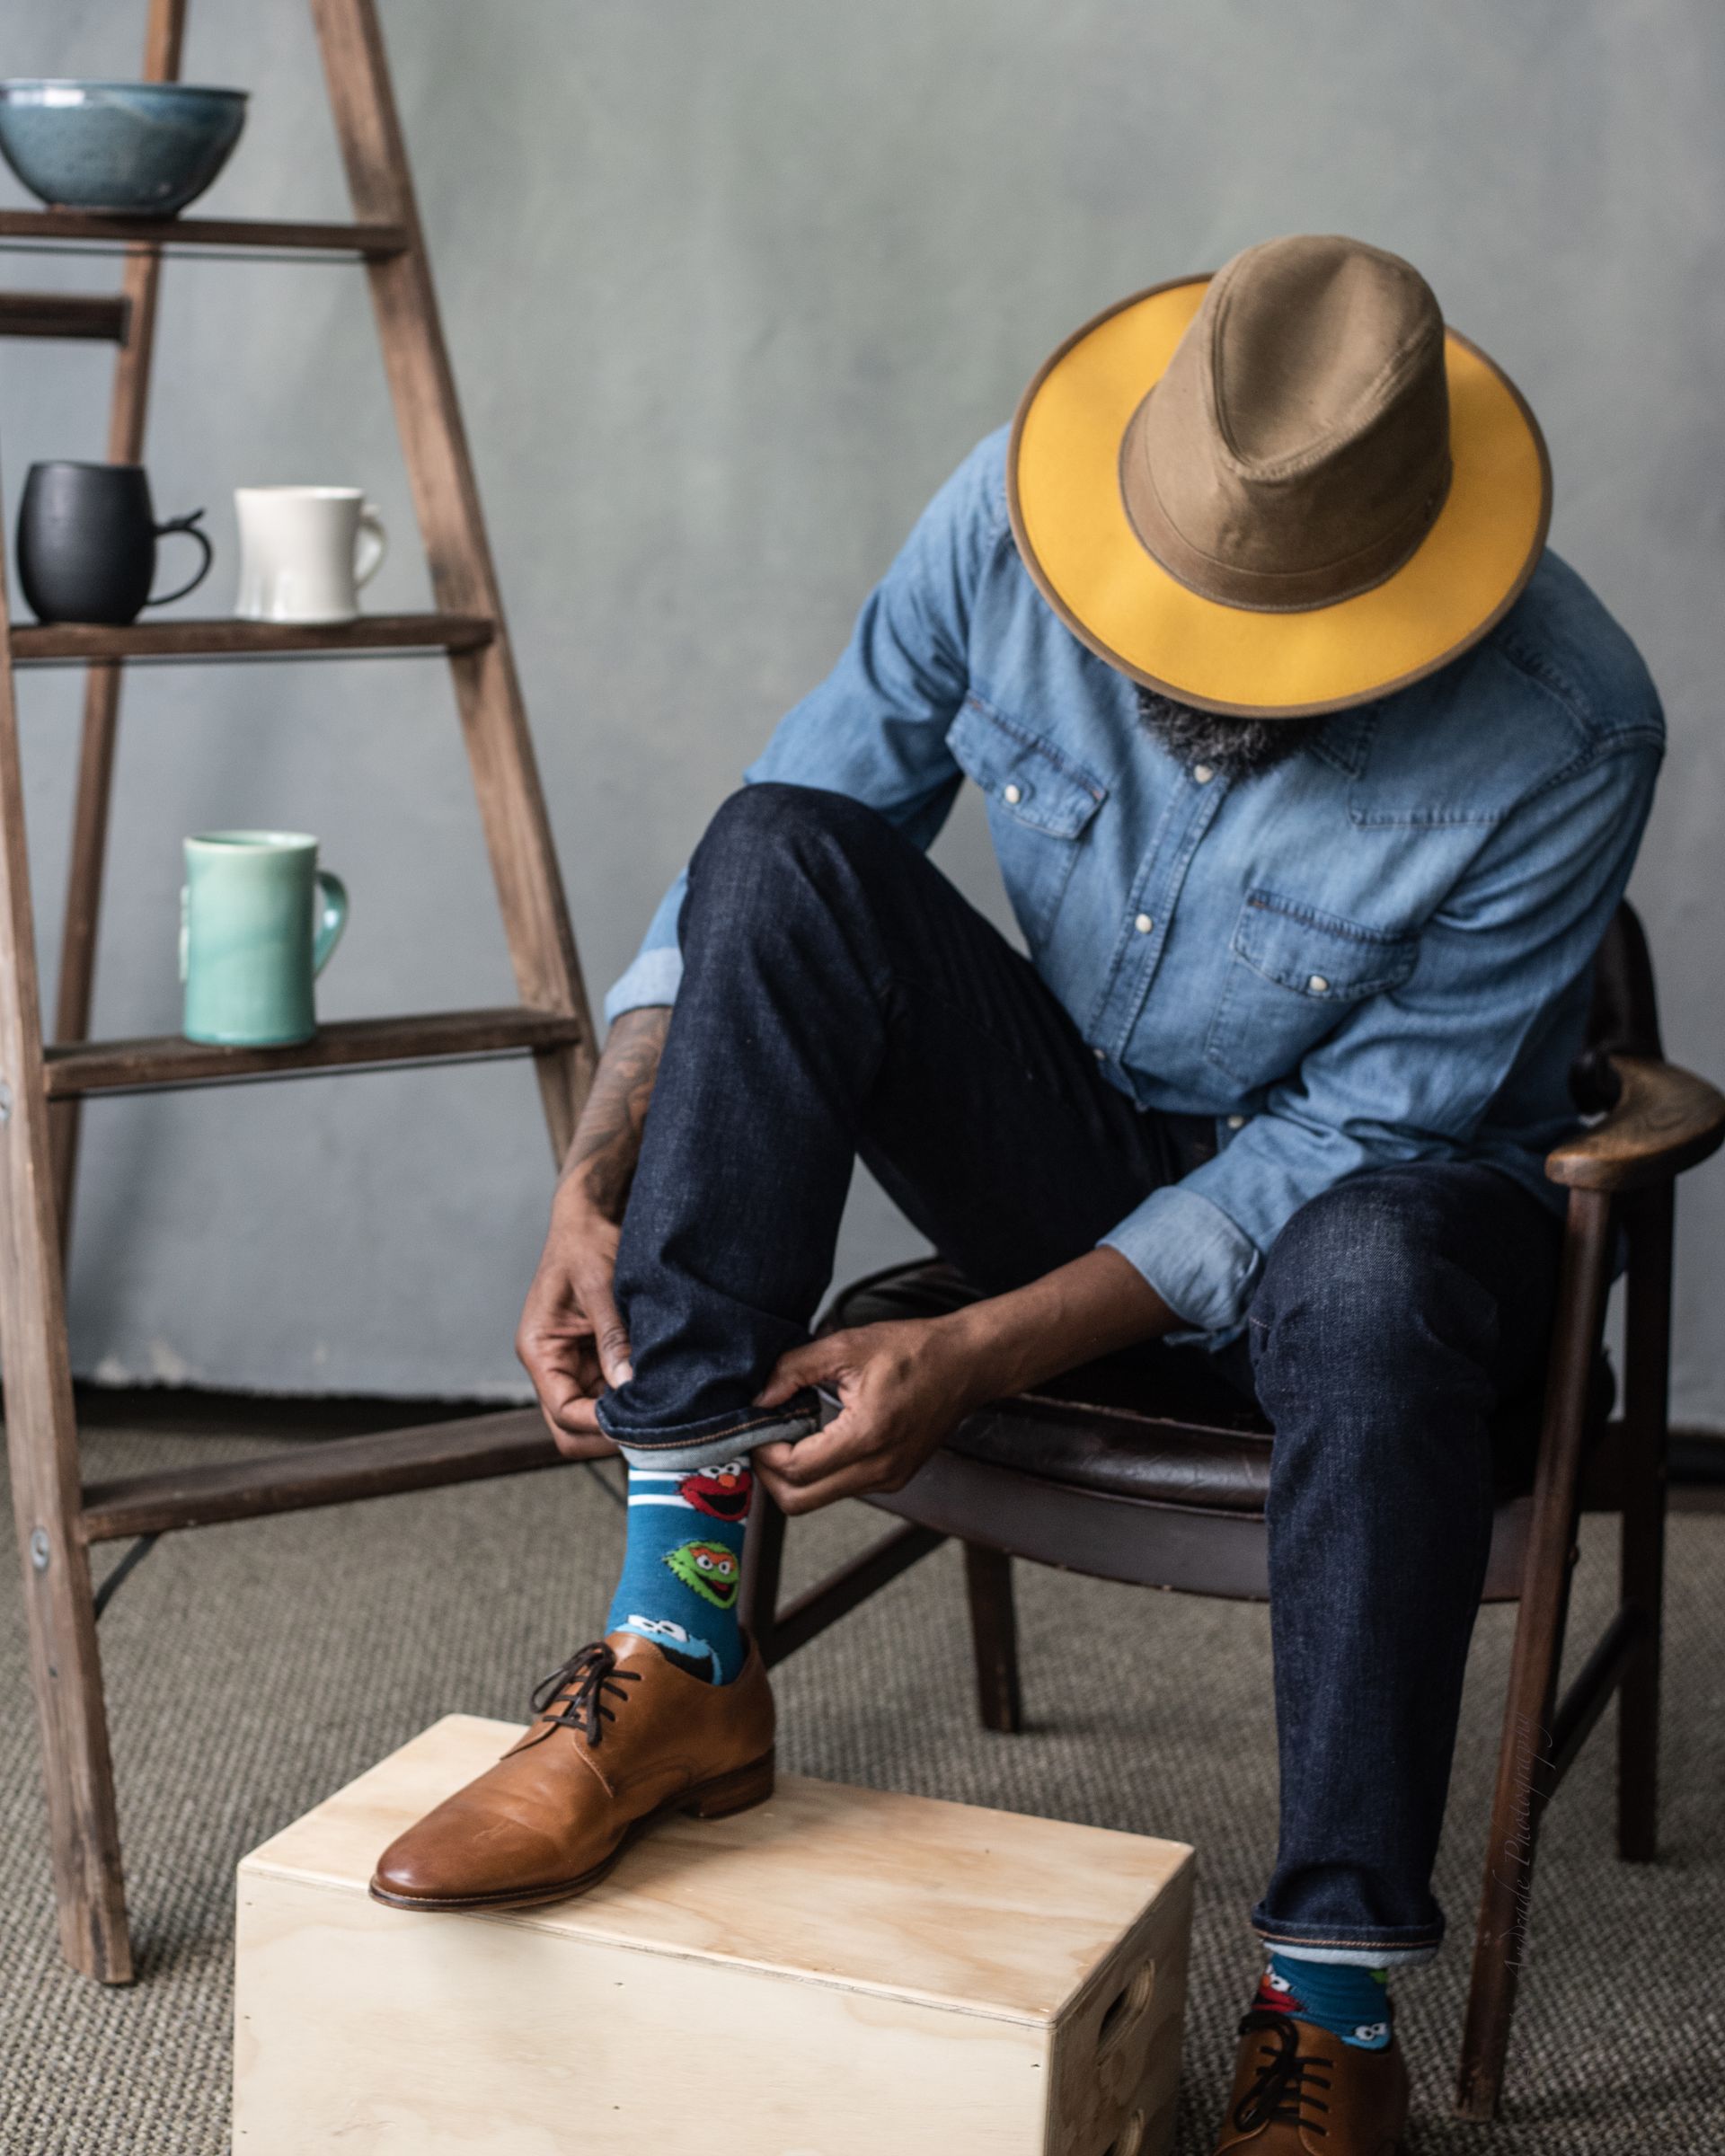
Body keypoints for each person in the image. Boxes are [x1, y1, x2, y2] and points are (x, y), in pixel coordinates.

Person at [372, 234, 1662, 2153]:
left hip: (1392, 1238)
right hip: (1081, 1143)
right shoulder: (1015, 516)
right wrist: (597, 1176)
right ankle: (683, 1644)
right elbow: (783, 850)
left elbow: (1349, 1146)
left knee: (1372, 1269)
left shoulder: (1569, 724)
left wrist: (978, 1346)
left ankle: (1328, 2001)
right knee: (781, 849)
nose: (1184, 686)